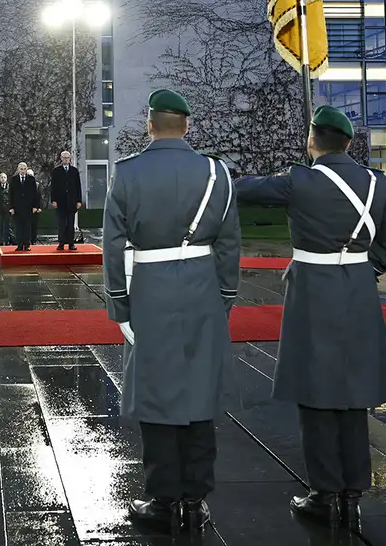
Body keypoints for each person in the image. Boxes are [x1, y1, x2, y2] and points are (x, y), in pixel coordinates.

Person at [233, 106, 386, 528]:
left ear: (312, 141)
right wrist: (359, 270)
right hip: (358, 289)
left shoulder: (299, 181)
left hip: (312, 290)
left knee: (315, 391)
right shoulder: (375, 182)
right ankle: (353, 492)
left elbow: (242, 190)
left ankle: (324, 492)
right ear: (349, 143)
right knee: (355, 392)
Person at [103, 89, 241, 534]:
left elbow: (113, 244)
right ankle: (195, 500)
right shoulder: (216, 173)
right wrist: (224, 296)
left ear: (150, 125)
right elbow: (229, 243)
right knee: (199, 391)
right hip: (202, 289)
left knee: (157, 393)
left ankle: (164, 500)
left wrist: (119, 301)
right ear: (187, 126)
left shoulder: (127, 172)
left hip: (151, 291)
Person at [50, 150, 83, 251]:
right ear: (61, 158)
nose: (66, 159)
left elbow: (78, 186)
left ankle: (71, 243)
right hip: (60, 202)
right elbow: (53, 187)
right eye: (64, 157)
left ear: (70, 158)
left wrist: (79, 200)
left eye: (67, 157)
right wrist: (53, 200)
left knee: (70, 224)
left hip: (71, 201)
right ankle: (61, 243)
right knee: (61, 224)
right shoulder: (56, 171)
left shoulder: (74, 171)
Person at [8, 162, 40, 252]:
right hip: (17, 207)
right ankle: (19, 245)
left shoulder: (31, 179)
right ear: (18, 169)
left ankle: (27, 245)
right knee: (18, 227)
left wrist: (35, 206)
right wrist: (11, 207)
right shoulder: (14, 179)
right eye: (21, 169)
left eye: (24, 169)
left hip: (28, 207)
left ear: (26, 169)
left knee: (27, 227)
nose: (22, 171)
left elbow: (35, 194)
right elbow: (11, 194)